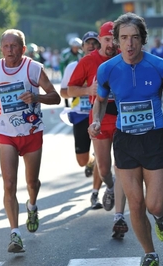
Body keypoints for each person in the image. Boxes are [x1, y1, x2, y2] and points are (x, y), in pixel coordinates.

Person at [89, 12, 163, 265]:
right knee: (136, 203)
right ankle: (149, 253)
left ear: (143, 40)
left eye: (134, 38)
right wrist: (96, 121)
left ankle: (161, 217)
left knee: (154, 205)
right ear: (116, 41)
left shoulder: (159, 66)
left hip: (153, 139)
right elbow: (99, 102)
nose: (129, 44)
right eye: (123, 38)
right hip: (125, 141)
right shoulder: (107, 69)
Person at [0, 29, 61, 253]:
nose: (10, 50)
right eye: (6, 46)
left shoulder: (33, 68)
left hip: (32, 132)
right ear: (0, 48)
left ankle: (32, 205)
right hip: (6, 133)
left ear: (23, 49)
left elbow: (55, 96)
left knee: (32, 183)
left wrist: (36, 97)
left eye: (14, 46)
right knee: (8, 184)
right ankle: (15, 234)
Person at [68, 21, 129, 239]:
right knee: (104, 170)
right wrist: (87, 89)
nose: (112, 44)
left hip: (124, 119)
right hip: (99, 120)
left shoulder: (126, 56)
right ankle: (110, 188)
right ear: (101, 39)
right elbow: (66, 91)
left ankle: (119, 217)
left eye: (116, 39)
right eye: (107, 39)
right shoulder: (89, 60)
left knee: (121, 167)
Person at [60, 31, 103, 208]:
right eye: (88, 43)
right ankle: (91, 161)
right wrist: (86, 89)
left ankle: (95, 194)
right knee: (82, 161)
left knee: (102, 156)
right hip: (80, 115)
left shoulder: (105, 65)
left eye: (95, 43)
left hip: (101, 116)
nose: (91, 46)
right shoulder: (72, 66)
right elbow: (63, 92)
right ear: (82, 47)